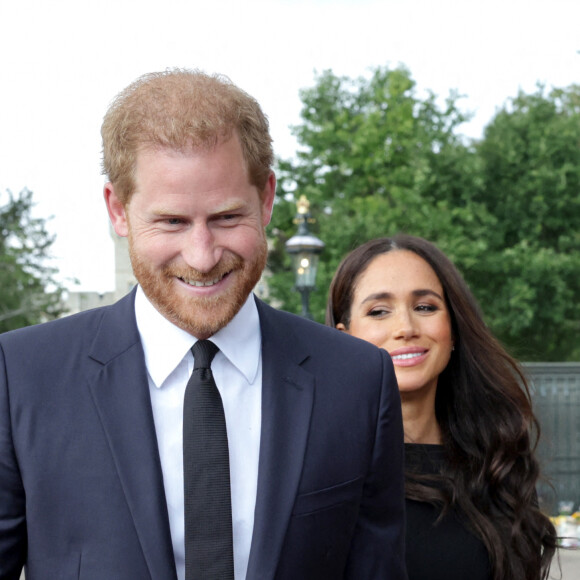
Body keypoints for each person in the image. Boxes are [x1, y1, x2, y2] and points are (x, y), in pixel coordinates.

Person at [0, 70, 406, 580]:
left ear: (266, 200)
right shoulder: (22, 377)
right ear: (118, 210)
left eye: (226, 217)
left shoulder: (358, 381)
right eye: (172, 221)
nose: (202, 255)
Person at [326, 235, 557, 580]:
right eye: (379, 311)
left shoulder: (498, 463)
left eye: (425, 307)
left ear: (453, 331)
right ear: (345, 337)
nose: (406, 328)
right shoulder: (324, 471)